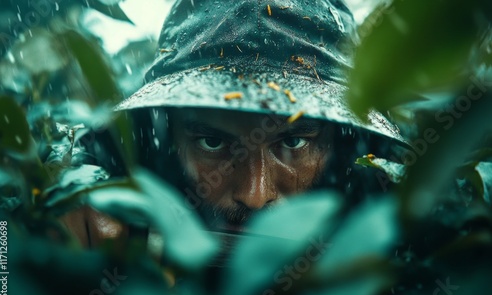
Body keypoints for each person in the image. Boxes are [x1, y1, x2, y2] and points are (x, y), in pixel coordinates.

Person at [62, 0, 407, 247]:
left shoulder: (393, 219)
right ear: (168, 134)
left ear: (341, 142)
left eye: (292, 143)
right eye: (212, 143)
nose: (254, 196)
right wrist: (80, 191)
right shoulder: (138, 184)